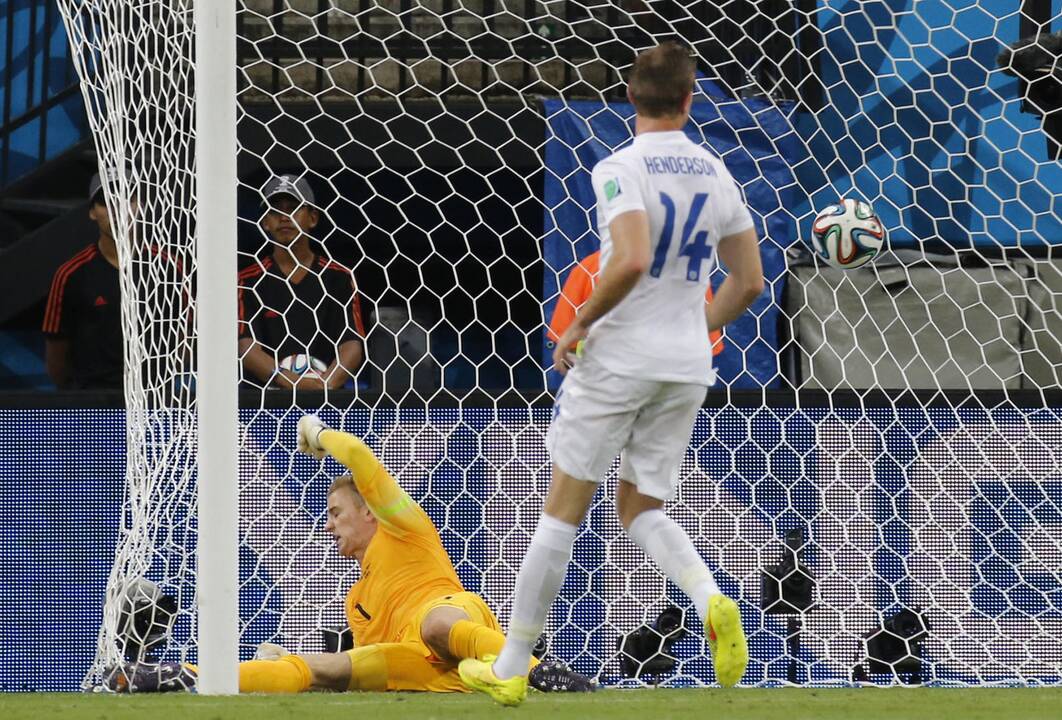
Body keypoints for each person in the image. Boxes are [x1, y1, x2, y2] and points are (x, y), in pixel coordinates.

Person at [459, 41, 765, 705]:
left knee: (561, 512)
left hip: (621, 357)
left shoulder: (620, 167)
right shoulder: (717, 173)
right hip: (685, 366)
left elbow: (629, 258)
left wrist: (578, 324)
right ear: (690, 100)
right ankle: (711, 597)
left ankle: (510, 668)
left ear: (630, 96)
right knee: (640, 507)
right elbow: (749, 280)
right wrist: (700, 326)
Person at [107, 415, 593, 695]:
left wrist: (314, 432)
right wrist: (291, 659)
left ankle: (540, 673)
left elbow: (359, 456)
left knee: (436, 625)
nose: (327, 523)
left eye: (337, 512)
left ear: (369, 514)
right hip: (424, 668)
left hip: (448, 615)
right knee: (318, 667)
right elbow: (368, 658)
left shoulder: (405, 529)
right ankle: (183, 676)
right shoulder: (355, 600)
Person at [238, 174, 366, 391]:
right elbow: (247, 348)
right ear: (265, 223)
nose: (284, 217)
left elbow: (352, 345)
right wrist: (294, 383)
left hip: (327, 401)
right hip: (263, 406)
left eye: (293, 208)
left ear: (313, 218)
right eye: (276, 210)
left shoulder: (339, 277)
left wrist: (325, 387)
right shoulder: (248, 280)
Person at [548, 248, 724, 358]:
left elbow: (567, 348)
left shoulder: (688, 274)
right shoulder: (689, 274)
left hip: (604, 391)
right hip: (662, 392)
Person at [41, 170, 128, 389]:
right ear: (92, 212)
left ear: (141, 206)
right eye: (107, 202)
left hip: (156, 401)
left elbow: (188, 333)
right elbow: (56, 355)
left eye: (127, 198)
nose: (117, 209)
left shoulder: (167, 266)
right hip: (92, 402)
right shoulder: (71, 274)